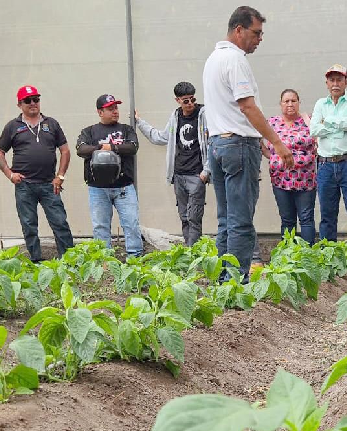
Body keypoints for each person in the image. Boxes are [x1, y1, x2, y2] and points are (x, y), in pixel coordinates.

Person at [203, 5, 294, 279]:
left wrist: (258, 140)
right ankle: (236, 283)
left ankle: (222, 280)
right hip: (238, 147)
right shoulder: (236, 60)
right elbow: (247, 107)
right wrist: (277, 142)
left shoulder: (213, 59)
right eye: (256, 33)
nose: (260, 39)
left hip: (219, 145)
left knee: (226, 220)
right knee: (241, 221)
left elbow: (229, 109)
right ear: (239, 29)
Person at [0, 85, 74, 262]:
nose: (33, 103)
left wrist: (60, 176)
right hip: (24, 185)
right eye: (28, 101)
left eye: (36, 99)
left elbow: (65, 151)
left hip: (49, 184)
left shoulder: (51, 124)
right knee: (29, 225)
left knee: (60, 222)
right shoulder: (12, 126)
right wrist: (10, 174)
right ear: (19, 104)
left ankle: (70, 261)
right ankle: (36, 261)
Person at [135, 82, 210, 246]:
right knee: (184, 216)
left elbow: (213, 142)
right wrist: (139, 122)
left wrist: (206, 170)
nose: (190, 104)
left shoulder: (204, 114)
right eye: (186, 100)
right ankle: (189, 250)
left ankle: (194, 251)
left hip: (197, 174)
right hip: (179, 174)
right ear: (177, 100)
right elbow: (161, 137)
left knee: (194, 216)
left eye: (192, 99)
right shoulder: (176, 116)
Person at [310, 64, 347, 272]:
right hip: (325, 164)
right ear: (327, 83)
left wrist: (329, 123)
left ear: (346, 82)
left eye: (339, 80)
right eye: (332, 80)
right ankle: (328, 257)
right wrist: (338, 124)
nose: (335, 84)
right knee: (327, 213)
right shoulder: (320, 103)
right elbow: (314, 129)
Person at [76, 94, 142, 257]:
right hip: (97, 188)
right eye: (110, 108)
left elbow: (132, 147)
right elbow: (81, 150)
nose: (115, 111)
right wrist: (101, 147)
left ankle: (135, 257)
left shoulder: (126, 129)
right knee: (100, 226)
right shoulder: (89, 131)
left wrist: (110, 147)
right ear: (100, 112)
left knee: (131, 223)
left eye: (116, 107)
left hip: (124, 187)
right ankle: (104, 259)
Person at [262, 88, 317, 244]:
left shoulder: (309, 120)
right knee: (287, 219)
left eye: (294, 101)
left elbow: (318, 144)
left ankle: (308, 256)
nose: (290, 104)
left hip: (305, 179)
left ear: (299, 103)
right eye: (286, 101)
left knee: (306, 218)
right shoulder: (271, 123)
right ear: (280, 104)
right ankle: (288, 257)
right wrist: (271, 157)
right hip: (281, 180)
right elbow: (261, 143)